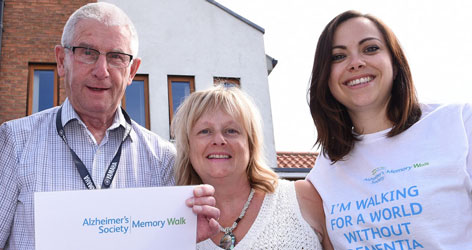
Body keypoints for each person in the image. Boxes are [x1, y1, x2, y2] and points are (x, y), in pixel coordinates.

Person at [0, 3, 219, 249]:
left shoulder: (163, 159)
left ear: (132, 71)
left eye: (116, 57)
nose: (102, 71)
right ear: (61, 60)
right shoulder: (14, 143)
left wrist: (182, 235)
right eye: (87, 52)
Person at [307, 10, 472, 249]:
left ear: (395, 62)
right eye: (338, 56)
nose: (356, 63)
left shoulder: (458, 123)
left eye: (370, 49)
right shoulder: (325, 168)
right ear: (326, 77)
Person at [172, 85, 332, 250]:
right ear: (188, 146)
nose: (218, 139)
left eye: (231, 131)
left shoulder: (302, 198)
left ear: (251, 143)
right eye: (205, 131)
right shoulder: (172, 224)